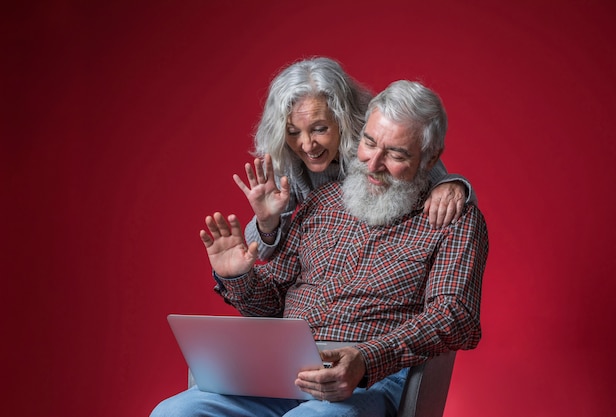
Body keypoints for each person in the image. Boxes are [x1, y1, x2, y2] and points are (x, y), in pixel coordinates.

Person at [151, 79, 489, 417]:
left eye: (396, 154)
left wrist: (367, 360)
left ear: (430, 159)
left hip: (367, 383)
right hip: (281, 376)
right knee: (173, 413)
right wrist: (240, 276)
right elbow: (271, 305)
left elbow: (455, 317)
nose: (373, 164)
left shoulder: (454, 220)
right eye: (369, 143)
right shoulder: (322, 201)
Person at [234, 57, 476, 260]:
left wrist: (453, 185)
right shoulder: (289, 162)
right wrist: (267, 223)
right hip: (332, 268)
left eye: (320, 129)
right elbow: (261, 253)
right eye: (293, 132)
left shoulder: (375, 139)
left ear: (344, 118)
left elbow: (436, 175)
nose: (307, 145)